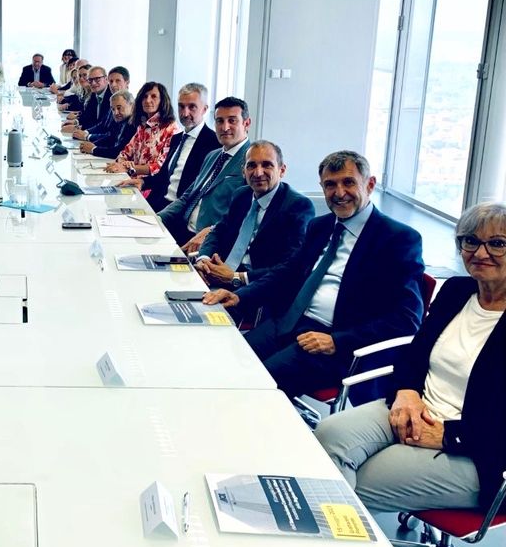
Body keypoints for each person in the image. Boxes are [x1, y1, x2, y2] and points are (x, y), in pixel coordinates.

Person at [315, 202, 505, 515]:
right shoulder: (457, 291)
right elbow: (414, 354)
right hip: (417, 406)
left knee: (353, 486)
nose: (480, 253)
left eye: (497, 243)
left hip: (481, 453)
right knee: (327, 435)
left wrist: (451, 436)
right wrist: (406, 392)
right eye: (471, 241)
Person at [204, 151, 425, 398]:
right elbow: (287, 273)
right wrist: (241, 295)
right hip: (289, 322)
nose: (339, 193)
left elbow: (407, 319)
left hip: (334, 343)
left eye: (348, 182)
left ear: (370, 184)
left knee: (254, 385)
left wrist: (338, 341)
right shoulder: (321, 226)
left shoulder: (398, 239)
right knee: (227, 360)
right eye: (330, 185)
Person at [195, 141, 314, 290]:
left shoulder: (297, 206)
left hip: (257, 287)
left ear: (282, 170)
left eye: (267, 165)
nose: (258, 173)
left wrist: (236, 278)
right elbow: (219, 231)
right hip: (218, 275)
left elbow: (291, 266)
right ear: (243, 171)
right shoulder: (241, 195)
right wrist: (204, 259)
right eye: (251, 165)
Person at [159, 96, 252, 250]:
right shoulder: (212, 156)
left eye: (232, 121)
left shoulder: (252, 162)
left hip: (210, 243)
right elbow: (187, 197)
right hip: (183, 231)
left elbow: (245, 216)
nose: (225, 127)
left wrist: (211, 233)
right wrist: (156, 219)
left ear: (246, 123)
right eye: (219, 121)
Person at [126, 83, 219, 213]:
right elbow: (164, 175)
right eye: (181, 106)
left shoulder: (214, 143)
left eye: (192, 107)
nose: (185, 113)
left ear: (204, 109)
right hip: (158, 202)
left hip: (179, 212)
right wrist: (142, 182)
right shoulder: (177, 138)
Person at [105, 81, 177, 178]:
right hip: (130, 179)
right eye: (144, 96)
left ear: (162, 101)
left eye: (154, 96)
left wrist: (129, 168)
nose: (148, 100)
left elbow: (160, 166)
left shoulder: (171, 129)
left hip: (149, 184)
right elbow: (124, 153)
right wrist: (123, 164)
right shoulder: (142, 126)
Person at [72, 66, 130, 140]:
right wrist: (85, 132)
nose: (113, 85)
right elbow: (103, 124)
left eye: (117, 81)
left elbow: (113, 136)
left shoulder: (128, 105)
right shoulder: (114, 101)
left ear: (127, 82)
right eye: (111, 81)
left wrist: (87, 137)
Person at [78, 91, 138, 160]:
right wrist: (93, 144)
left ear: (132, 106)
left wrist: (93, 149)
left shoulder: (134, 125)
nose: (115, 113)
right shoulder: (122, 121)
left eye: (119, 108)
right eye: (113, 109)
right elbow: (111, 138)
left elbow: (118, 151)